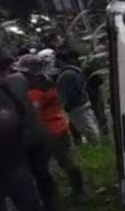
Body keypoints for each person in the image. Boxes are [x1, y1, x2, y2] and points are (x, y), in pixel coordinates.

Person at [0, 50, 53, 211]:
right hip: (15, 147)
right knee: (23, 188)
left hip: (8, 148)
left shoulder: (14, 81)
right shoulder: (18, 80)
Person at [19, 53, 85, 202]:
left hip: (46, 132)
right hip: (60, 125)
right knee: (68, 159)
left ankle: (52, 199)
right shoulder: (48, 81)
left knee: (41, 167)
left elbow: (33, 113)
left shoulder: (34, 91)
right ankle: (79, 190)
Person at [53, 48, 101, 144]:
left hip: (77, 106)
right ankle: (97, 145)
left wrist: (67, 106)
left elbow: (71, 94)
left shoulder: (67, 74)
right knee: (90, 126)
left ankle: (97, 146)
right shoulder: (73, 71)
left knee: (88, 129)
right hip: (82, 103)